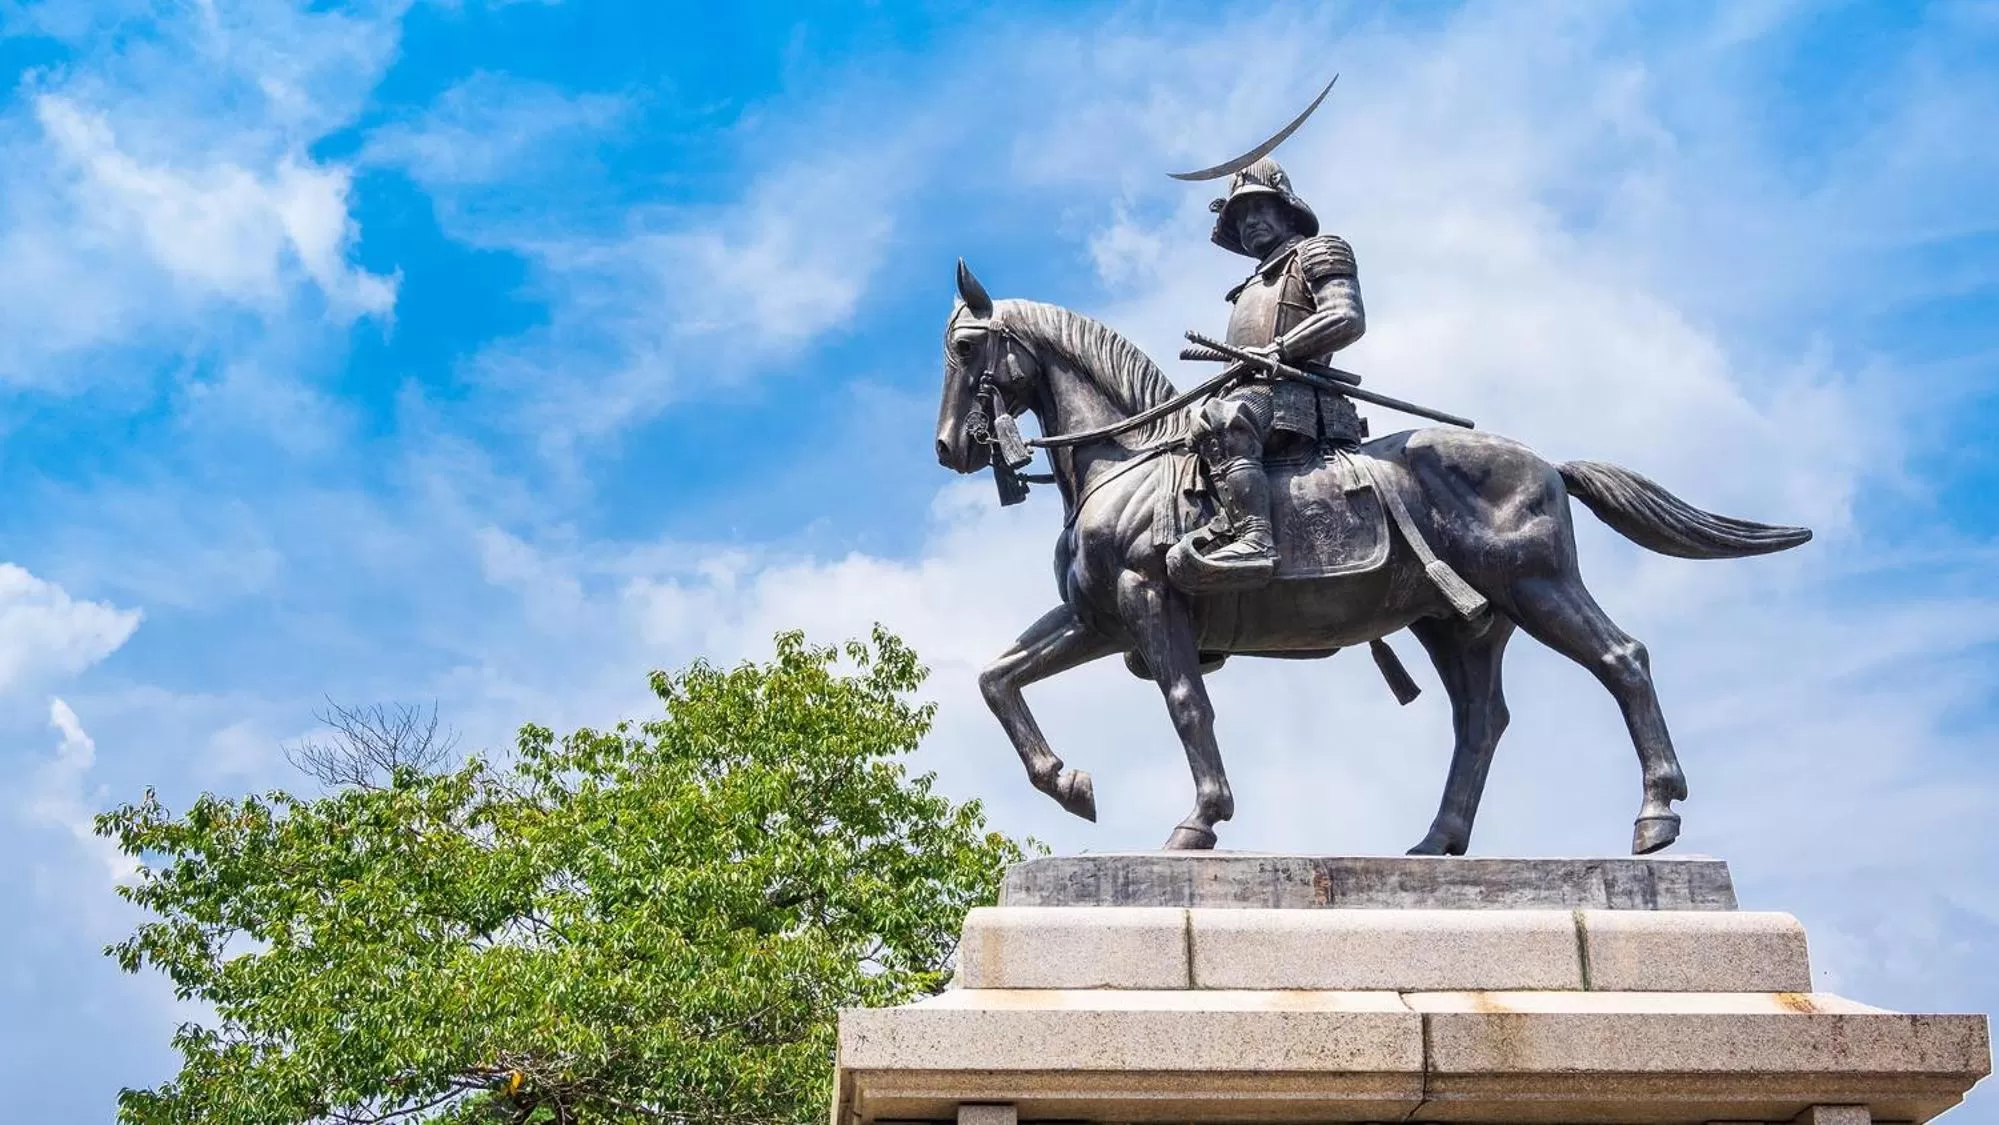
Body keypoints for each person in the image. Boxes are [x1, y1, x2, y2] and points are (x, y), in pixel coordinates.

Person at [1167, 156, 1368, 592]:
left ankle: (1256, 539)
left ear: (1286, 208)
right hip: (1251, 393)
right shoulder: (1249, 286)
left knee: (1222, 420)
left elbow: (1345, 316)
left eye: (1259, 208)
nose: (1249, 222)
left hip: (1295, 395)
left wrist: (1278, 349)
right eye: (1240, 217)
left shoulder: (1316, 251)